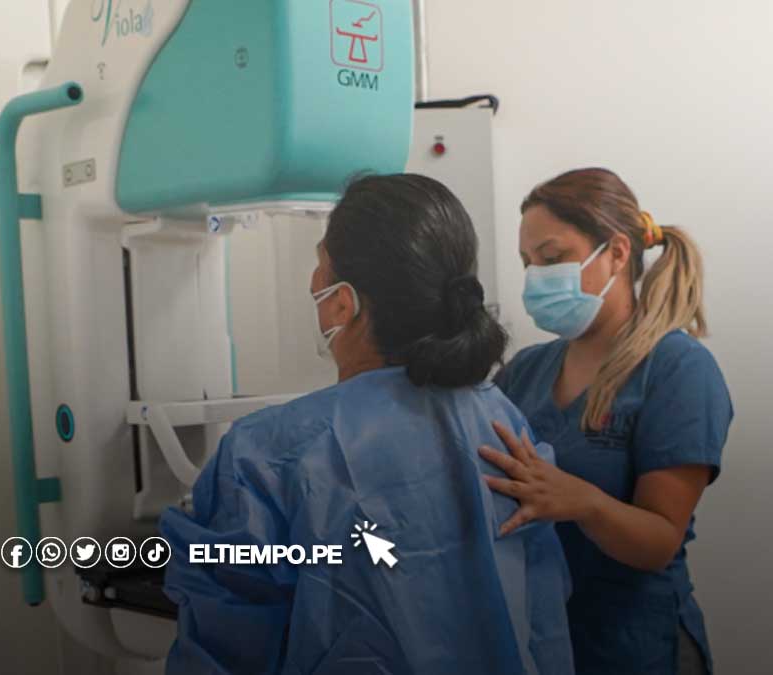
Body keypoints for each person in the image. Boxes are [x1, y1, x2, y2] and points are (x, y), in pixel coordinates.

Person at [160, 174, 574, 674]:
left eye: (320, 261)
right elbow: (543, 621)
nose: (312, 280)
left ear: (342, 301)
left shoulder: (266, 455)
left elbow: (223, 647)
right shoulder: (502, 422)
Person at [483, 168, 733, 675]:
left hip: (633, 647)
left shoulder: (677, 370)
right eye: (527, 263)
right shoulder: (526, 371)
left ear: (617, 252)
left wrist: (582, 502)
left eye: (551, 258)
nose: (535, 277)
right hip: (545, 640)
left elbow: (659, 541)